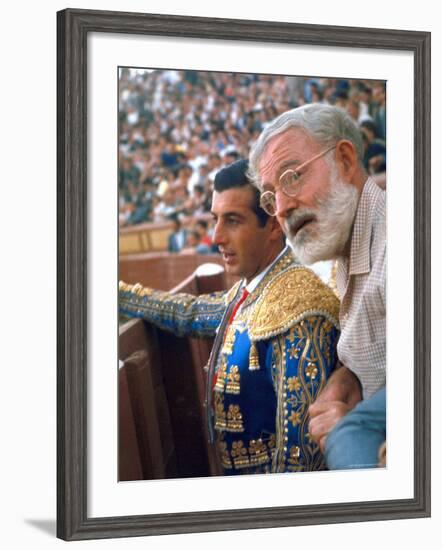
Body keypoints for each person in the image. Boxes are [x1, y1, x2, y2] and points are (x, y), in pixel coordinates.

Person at [119, 159, 340, 475]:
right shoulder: (257, 287)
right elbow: (191, 312)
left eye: (233, 221)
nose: (217, 236)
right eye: (215, 219)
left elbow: (300, 459)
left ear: (275, 224)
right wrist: (119, 294)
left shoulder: (299, 310)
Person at [249, 103, 386, 466]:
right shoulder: (340, 252)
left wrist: (363, 433)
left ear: (344, 159)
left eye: (292, 176)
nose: (280, 207)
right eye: (269, 195)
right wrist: (350, 375)